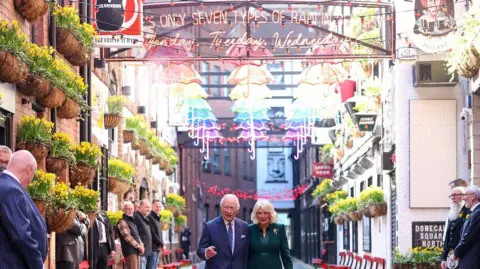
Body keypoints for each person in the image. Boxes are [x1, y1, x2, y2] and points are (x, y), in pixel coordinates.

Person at [0, 150, 46, 269]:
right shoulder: (11, 190)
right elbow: (22, 235)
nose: (30, 181)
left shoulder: (4, 184)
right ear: (29, 169)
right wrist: (38, 264)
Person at [197, 194, 249, 269]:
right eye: (226, 207)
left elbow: (247, 253)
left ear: (237, 210)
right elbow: (200, 251)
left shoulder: (244, 226)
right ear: (221, 208)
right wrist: (206, 252)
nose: (229, 211)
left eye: (232, 208)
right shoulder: (210, 226)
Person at [247, 199, 293, 269]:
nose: (262, 216)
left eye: (265, 213)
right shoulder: (249, 229)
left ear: (270, 214)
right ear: (255, 214)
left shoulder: (279, 228)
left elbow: (285, 255)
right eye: (259, 213)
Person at [441, 187, 469, 269]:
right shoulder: (452, 212)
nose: (453, 197)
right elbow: (447, 236)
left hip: (463, 255)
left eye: (455, 195)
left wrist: (458, 253)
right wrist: (443, 258)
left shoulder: (468, 211)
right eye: (451, 196)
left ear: (463, 196)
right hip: (451, 256)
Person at [453, 186, 480, 269]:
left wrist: (456, 252)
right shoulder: (474, 212)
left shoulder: (478, 213)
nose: (463, 198)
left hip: (473, 260)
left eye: (465, 195)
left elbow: (469, 236)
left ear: (473, 197)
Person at [90, 198, 116, 269]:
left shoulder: (104, 214)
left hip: (105, 247)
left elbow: (110, 232)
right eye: (95, 201)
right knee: (93, 266)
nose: (96, 203)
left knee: (103, 266)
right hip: (94, 247)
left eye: (98, 201)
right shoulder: (89, 214)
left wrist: (113, 248)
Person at [118, 201, 144, 269]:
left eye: (131, 209)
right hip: (130, 251)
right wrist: (139, 246)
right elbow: (127, 237)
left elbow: (136, 235)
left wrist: (141, 244)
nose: (130, 211)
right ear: (123, 210)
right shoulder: (122, 221)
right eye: (128, 209)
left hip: (135, 250)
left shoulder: (131, 220)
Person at [134, 200, 152, 269]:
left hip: (146, 250)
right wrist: (140, 245)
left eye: (150, 207)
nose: (149, 209)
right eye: (146, 207)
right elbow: (135, 234)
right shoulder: (137, 217)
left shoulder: (144, 217)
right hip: (141, 250)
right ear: (140, 207)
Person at [147, 199, 164, 269]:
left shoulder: (157, 218)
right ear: (152, 207)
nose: (158, 208)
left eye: (160, 207)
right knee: (151, 267)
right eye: (157, 206)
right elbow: (153, 234)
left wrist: (161, 244)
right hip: (152, 248)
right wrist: (162, 244)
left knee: (154, 267)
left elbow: (158, 233)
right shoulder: (150, 217)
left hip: (157, 248)